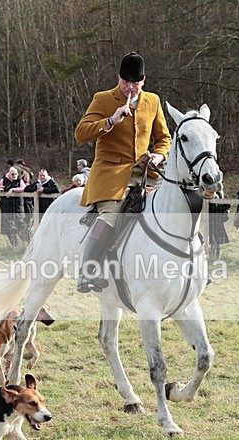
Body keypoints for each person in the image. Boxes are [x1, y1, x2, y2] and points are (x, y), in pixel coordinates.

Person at [74, 52, 171, 292]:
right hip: (111, 173)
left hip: (147, 171)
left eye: (135, 82)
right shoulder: (103, 99)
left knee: (174, 205)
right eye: (125, 81)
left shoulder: (153, 101)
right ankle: (87, 272)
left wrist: (159, 154)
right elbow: (81, 132)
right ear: (118, 78)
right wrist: (110, 121)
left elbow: (164, 138)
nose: (130, 87)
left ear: (143, 80)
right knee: (111, 215)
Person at [0, 166, 25, 248]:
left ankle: (25, 244)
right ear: (9, 174)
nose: (14, 176)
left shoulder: (19, 181)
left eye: (16, 174)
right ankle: (15, 245)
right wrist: (0, 188)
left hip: (17, 208)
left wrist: (13, 189)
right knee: (8, 229)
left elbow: (24, 188)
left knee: (20, 226)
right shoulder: (3, 180)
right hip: (6, 208)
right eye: (12, 174)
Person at [207, 190, 229, 261]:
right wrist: (226, 206)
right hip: (213, 221)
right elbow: (215, 209)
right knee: (214, 240)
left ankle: (215, 258)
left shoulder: (219, 195)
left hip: (218, 221)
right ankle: (213, 258)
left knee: (217, 241)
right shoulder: (211, 196)